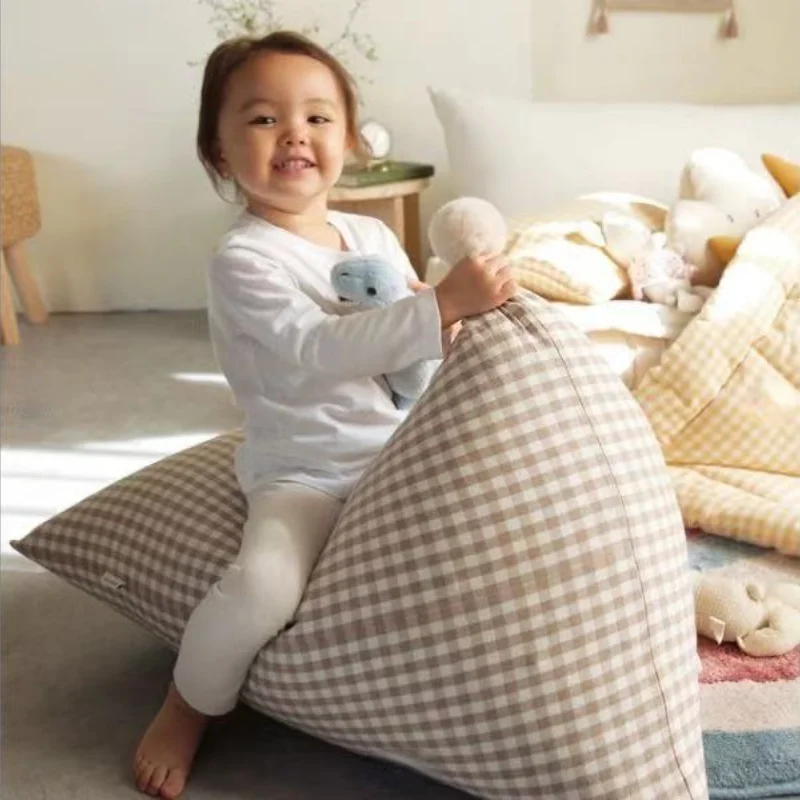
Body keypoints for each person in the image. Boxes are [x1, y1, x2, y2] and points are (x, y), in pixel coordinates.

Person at [133, 30, 516, 799]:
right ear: (217, 150)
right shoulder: (245, 260)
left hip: (399, 451)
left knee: (506, 532)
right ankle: (187, 701)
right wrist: (438, 303)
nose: (294, 136)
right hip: (306, 471)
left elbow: (407, 351)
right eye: (264, 119)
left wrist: (447, 326)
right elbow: (315, 348)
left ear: (351, 140)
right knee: (263, 587)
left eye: (316, 117)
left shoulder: (372, 233)